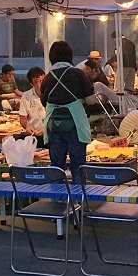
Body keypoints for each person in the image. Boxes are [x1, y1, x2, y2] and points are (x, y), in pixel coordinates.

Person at [40, 40, 94, 182]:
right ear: (70, 55)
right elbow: (90, 99)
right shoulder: (77, 74)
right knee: (78, 167)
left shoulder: (47, 78)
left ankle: (57, 201)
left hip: (53, 126)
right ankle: (79, 200)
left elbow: (43, 101)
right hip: (75, 125)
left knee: (56, 168)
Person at [18, 66, 47, 145]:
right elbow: (23, 118)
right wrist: (27, 126)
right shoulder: (26, 96)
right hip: (35, 135)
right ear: (31, 84)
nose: (42, 83)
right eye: (38, 81)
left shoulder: (52, 94)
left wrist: (46, 127)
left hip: (51, 135)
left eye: (43, 80)